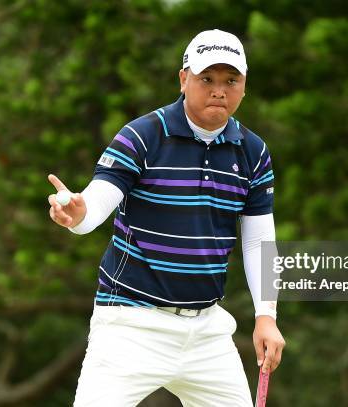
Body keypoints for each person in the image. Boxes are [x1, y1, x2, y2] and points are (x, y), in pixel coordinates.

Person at [47, 29, 285, 406]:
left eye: (230, 80)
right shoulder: (143, 136)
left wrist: (266, 315)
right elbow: (96, 203)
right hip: (130, 324)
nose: (219, 90)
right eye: (207, 79)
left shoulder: (252, 152)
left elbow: (259, 240)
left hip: (207, 330)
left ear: (244, 86)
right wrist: (78, 214)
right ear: (183, 79)